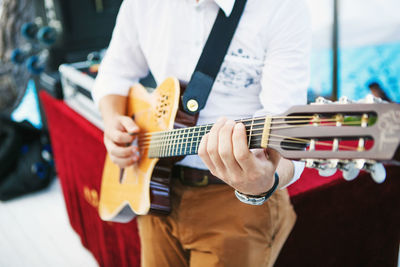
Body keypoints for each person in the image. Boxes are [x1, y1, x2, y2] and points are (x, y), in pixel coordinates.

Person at [92, 0, 311, 266]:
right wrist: (113, 120)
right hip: (154, 189)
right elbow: (114, 73)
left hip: (236, 204)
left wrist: (266, 182)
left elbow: (289, 134)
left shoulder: (282, 7)